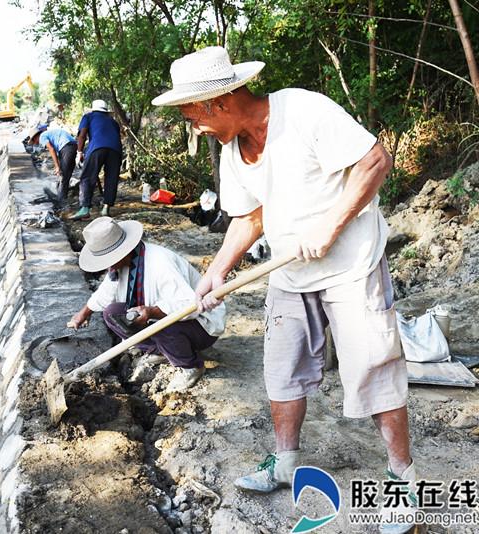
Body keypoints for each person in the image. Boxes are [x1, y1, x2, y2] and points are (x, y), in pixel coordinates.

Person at [153, 46, 414, 533]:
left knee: (374, 370)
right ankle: (286, 461)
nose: (193, 127)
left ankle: (401, 479)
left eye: (192, 116)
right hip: (290, 273)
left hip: (351, 267)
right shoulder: (233, 152)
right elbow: (249, 216)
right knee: (282, 371)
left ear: (220, 102)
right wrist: (217, 271)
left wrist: (332, 225)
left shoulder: (304, 110)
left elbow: (376, 160)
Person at [67, 217, 226, 392]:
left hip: (201, 325)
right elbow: (105, 293)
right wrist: (84, 313)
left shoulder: (159, 262)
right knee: (111, 313)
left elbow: (189, 305)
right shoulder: (119, 267)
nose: (107, 267)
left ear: (122, 252)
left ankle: (191, 366)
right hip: (159, 320)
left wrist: (152, 312)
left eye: (108, 260)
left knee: (162, 325)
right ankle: (160, 351)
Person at [70, 99, 123, 220]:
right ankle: (106, 208)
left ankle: (85, 208)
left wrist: (79, 152)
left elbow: (82, 135)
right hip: (116, 150)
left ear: (93, 109)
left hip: (97, 148)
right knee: (111, 178)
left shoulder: (88, 116)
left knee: (87, 177)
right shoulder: (113, 121)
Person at [27, 124, 78, 206]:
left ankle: (61, 202)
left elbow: (51, 149)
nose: (36, 143)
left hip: (65, 147)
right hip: (72, 145)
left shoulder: (42, 137)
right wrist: (58, 166)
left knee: (63, 176)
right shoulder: (49, 134)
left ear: (35, 137)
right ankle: (62, 197)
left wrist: (57, 167)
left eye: (34, 141)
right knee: (66, 173)